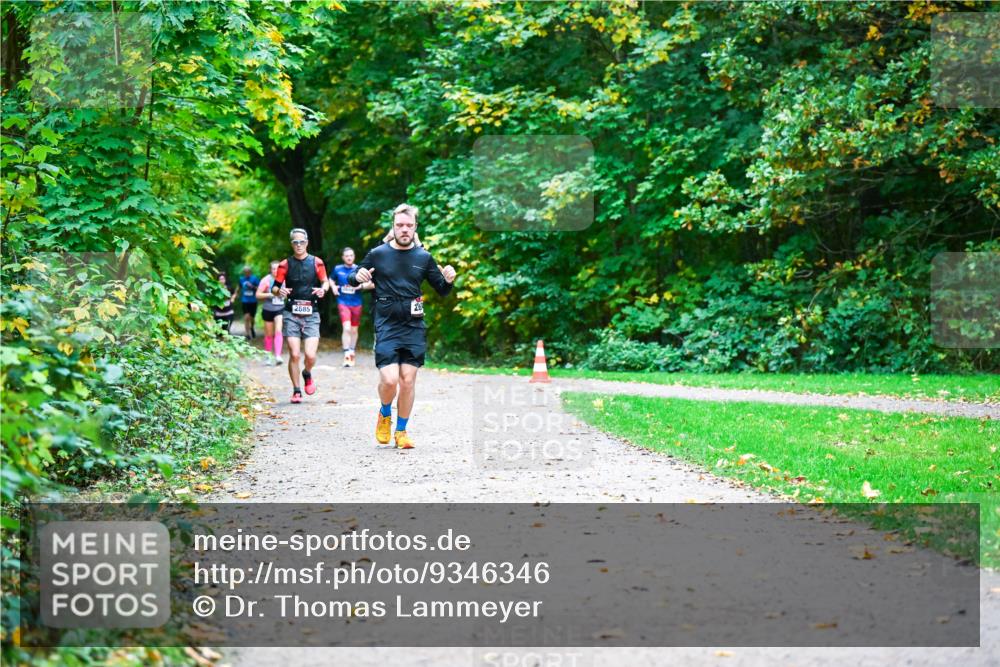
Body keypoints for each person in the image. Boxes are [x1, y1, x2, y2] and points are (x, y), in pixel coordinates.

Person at [348, 203, 457, 449]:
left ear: (415, 227)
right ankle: (385, 413)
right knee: (389, 380)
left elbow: (441, 289)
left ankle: (402, 431)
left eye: (409, 225)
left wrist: (448, 281)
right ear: (393, 227)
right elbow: (352, 276)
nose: (404, 229)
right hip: (386, 323)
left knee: (408, 380)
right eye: (400, 225)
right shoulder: (378, 254)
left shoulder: (424, 257)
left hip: (413, 324)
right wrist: (358, 276)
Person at [272, 229, 329, 403]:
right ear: (291, 243)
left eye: (301, 242)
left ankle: (307, 372)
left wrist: (323, 289)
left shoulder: (316, 262)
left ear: (307, 242)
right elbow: (274, 287)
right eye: (295, 242)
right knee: (295, 354)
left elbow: (325, 281)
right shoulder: (285, 264)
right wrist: (279, 290)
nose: (298, 245)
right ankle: (296, 390)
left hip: (311, 313)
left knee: (310, 355)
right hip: (291, 313)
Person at [330, 247, 374, 367]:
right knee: (347, 328)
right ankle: (346, 354)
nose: (349, 257)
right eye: (346, 256)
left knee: (354, 330)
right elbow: (331, 279)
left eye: (351, 255)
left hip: (356, 303)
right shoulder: (337, 269)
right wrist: (333, 287)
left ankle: (352, 351)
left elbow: (372, 284)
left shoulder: (358, 269)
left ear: (354, 257)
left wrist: (360, 287)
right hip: (343, 302)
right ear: (343, 258)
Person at [256, 261, 286, 366]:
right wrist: (270, 294)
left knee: (278, 330)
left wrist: (285, 294)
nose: (275, 270)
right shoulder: (266, 280)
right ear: (270, 269)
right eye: (273, 268)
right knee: (269, 334)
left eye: (277, 268)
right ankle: (268, 355)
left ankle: (278, 356)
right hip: (268, 309)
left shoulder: (284, 279)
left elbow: (290, 292)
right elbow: (258, 295)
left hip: (280, 308)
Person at [238, 266, 260, 340]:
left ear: (250, 272)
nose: (246, 273)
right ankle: (247, 334)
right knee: (246, 317)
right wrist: (235, 294)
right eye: (245, 272)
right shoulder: (241, 279)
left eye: (248, 272)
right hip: (245, 301)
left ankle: (252, 327)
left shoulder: (254, 278)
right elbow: (239, 287)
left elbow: (259, 288)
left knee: (252, 318)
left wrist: (252, 287)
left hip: (253, 301)